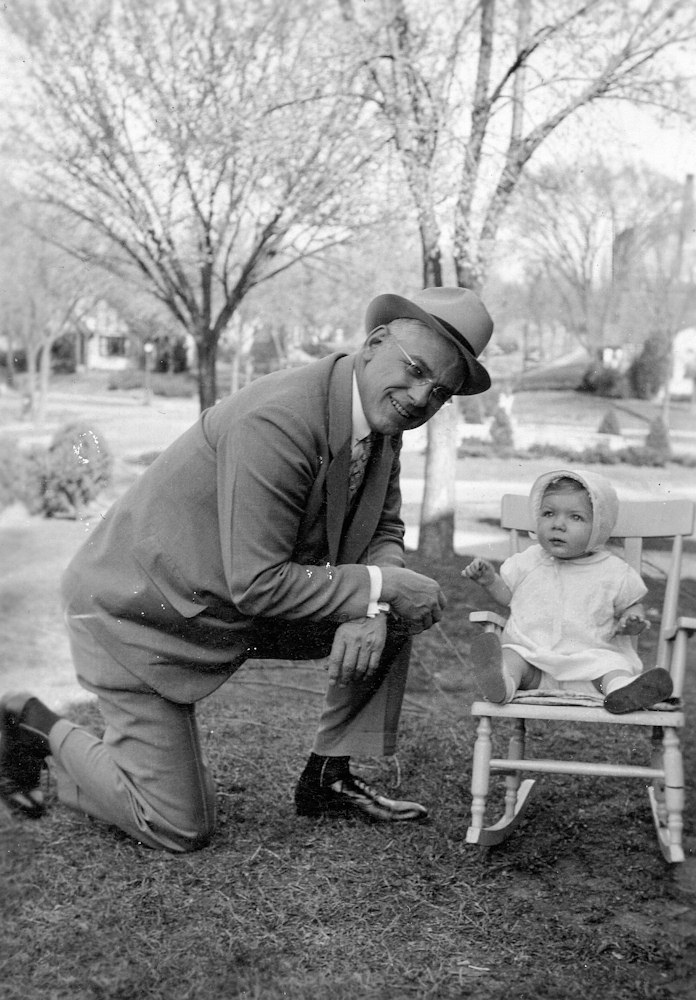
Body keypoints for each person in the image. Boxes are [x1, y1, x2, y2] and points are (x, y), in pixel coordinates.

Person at [0, 286, 494, 852]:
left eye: (440, 392)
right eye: (415, 370)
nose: (420, 397)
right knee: (178, 826)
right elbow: (259, 583)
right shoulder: (282, 417)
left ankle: (328, 780)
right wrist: (376, 587)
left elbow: (383, 529)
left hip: (220, 609)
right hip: (133, 618)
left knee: (400, 609)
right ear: (375, 342)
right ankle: (34, 722)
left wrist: (376, 603)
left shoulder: (379, 415)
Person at [462, 469, 673, 713]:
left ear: (598, 527)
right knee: (511, 655)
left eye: (575, 517)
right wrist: (490, 581)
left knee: (612, 666)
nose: (558, 525)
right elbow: (509, 597)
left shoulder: (613, 571)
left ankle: (621, 691)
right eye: (548, 513)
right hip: (534, 663)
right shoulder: (527, 562)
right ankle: (502, 684)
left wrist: (631, 619)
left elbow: (632, 603)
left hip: (591, 667)